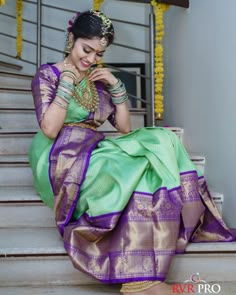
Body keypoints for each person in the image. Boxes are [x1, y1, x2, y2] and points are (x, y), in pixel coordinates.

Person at [29, 9, 235, 295]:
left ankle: (141, 274)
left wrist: (115, 86)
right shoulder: (47, 74)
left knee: (161, 140)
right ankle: (138, 279)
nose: (89, 59)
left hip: (93, 146)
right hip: (59, 153)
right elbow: (50, 129)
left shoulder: (97, 80)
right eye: (85, 49)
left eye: (97, 54)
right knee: (130, 168)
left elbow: (124, 127)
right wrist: (66, 81)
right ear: (71, 38)